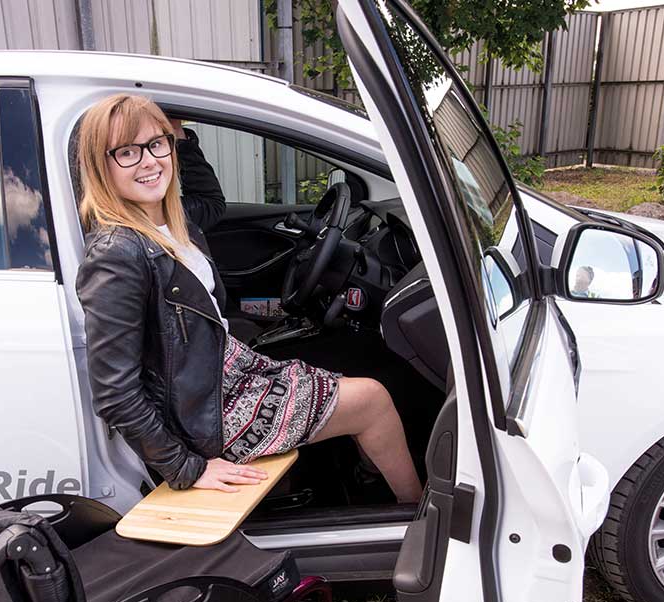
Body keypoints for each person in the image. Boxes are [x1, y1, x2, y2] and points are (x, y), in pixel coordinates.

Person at [75, 94, 422, 502]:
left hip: (221, 371)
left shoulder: (172, 220)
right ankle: (414, 512)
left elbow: (211, 202)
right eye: (128, 152)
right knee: (372, 400)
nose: (150, 161)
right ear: (101, 165)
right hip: (206, 413)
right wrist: (186, 467)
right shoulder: (117, 253)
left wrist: (183, 135)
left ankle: (369, 480)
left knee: (340, 372)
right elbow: (114, 393)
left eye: (157, 144)